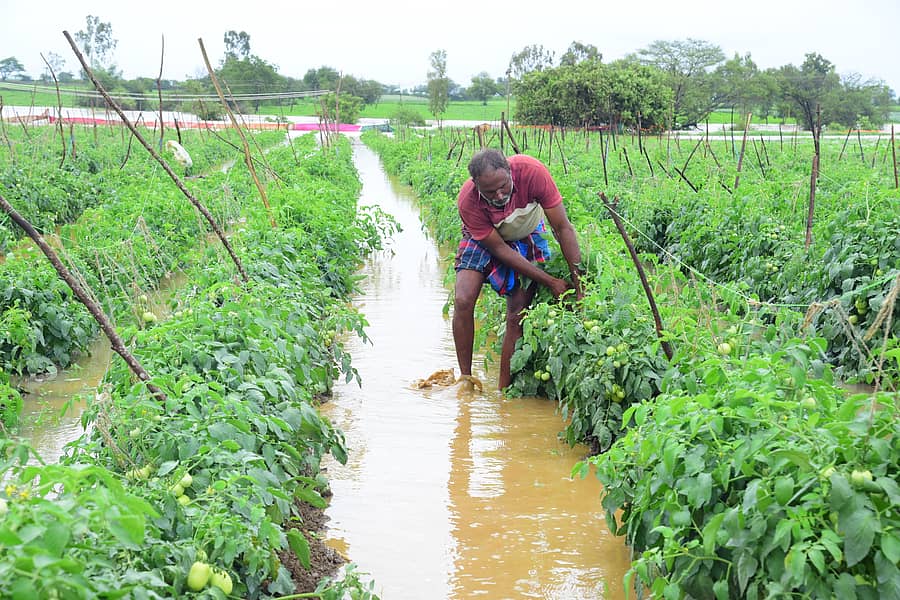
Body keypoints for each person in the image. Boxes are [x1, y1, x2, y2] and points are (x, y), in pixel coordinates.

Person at [453, 148, 584, 390]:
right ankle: (466, 379)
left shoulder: (532, 172)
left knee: (517, 312)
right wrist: (550, 281)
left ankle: (504, 392)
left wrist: (579, 286)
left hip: (526, 232)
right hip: (485, 238)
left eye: (503, 186)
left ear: (509, 171)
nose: (500, 195)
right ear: (477, 186)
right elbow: (500, 250)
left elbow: (562, 228)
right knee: (462, 299)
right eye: (490, 192)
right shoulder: (468, 200)